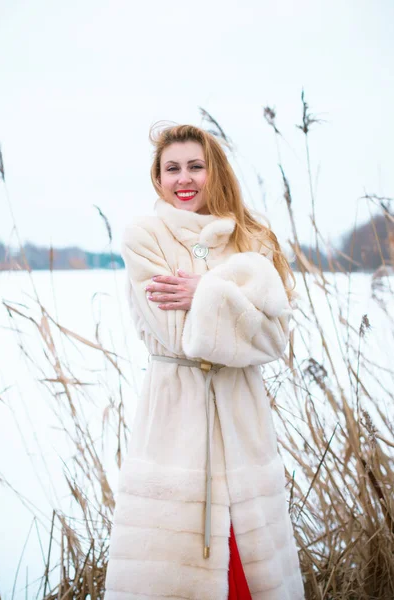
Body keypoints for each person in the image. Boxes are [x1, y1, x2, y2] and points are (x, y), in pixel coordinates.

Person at [104, 124, 304, 600]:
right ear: (158, 177)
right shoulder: (144, 236)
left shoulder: (252, 238)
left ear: (215, 171)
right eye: (172, 168)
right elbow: (178, 337)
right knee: (174, 567)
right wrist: (235, 291)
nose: (184, 178)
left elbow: (274, 339)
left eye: (196, 165)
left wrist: (204, 291)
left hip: (243, 420)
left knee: (250, 565)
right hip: (176, 420)